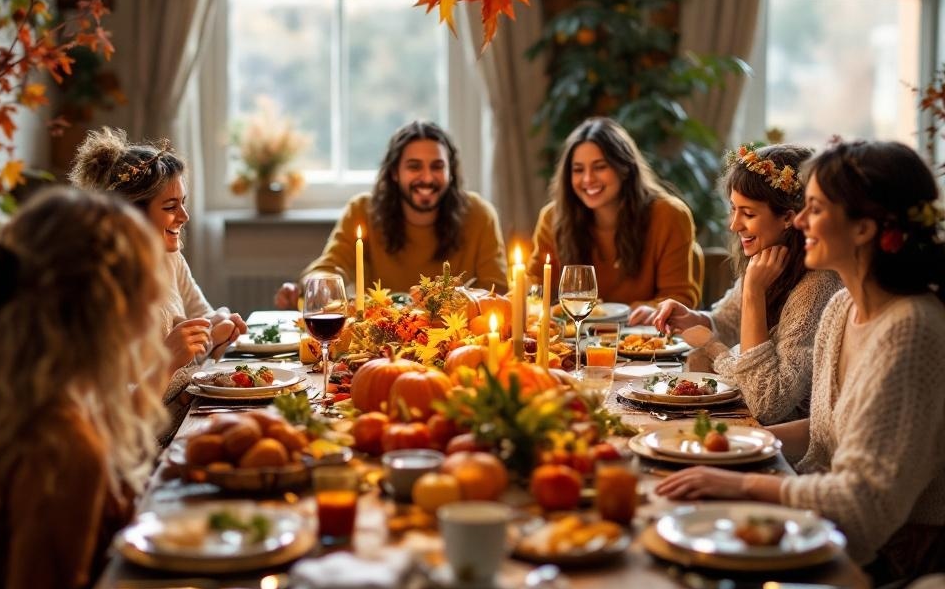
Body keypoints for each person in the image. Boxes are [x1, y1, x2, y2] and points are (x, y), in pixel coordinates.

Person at [656, 139, 945, 589]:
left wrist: (744, 485)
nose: (800, 220)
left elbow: (862, 505)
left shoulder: (910, 329)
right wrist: (738, 444)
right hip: (822, 519)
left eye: (814, 207)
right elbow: (829, 431)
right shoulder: (843, 307)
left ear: (865, 228)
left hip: (894, 556)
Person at [0, 187, 171, 589]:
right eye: (146, 278)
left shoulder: (28, 410)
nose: (156, 293)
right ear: (104, 304)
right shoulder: (63, 448)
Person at [629, 144, 840, 424]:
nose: (734, 225)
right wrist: (694, 318)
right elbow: (728, 322)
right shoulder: (769, 260)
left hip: (780, 447)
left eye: (748, 214)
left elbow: (768, 402)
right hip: (745, 423)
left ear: (789, 217)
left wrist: (719, 337)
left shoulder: (816, 286)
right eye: (733, 209)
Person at [69, 128, 247, 431]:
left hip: (180, 422)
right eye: (170, 207)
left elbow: (200, 324)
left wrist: (217, 327)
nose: (185, 216)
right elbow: (109, 420)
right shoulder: (94, 290)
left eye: (183, 202)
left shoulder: (169, 258)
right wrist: (168, 360)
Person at [275, 120, 508, 307]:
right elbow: (329, 267)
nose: (427, 178)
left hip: (455, 340)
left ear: (451, 173)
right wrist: (311, 286)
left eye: (437, 166)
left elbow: (497, 290)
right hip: (379, 343)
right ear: (395, 172)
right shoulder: (362, 210)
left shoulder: (480, 215)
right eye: (414, 166)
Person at [528, 117, 701, 310]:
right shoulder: (553, 217)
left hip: (645, 336)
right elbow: (532, 285)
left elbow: (679, 298)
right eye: (578, 170)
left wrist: (624, 313)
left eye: (600, 167)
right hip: (574, 336)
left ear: (624, 168)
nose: (587, 179)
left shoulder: (669, 215)